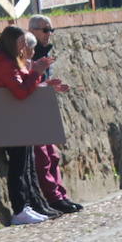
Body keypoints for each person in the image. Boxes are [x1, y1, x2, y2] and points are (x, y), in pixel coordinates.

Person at [0, 25, 68, 225]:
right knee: (18, 166)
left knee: (27, 165)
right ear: (10, 43)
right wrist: (37, 72)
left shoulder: (12, 63)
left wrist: (43, 82)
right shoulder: (5, 65)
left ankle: (29, 204)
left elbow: (25, 88)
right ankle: (20, 208)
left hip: (18, 119)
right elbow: (20, 92)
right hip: (12, 121)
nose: (22, 48)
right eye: (20, 43)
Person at [28, 15, 82, 213]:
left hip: (44, 107)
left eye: (51, 30)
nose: (49, 34)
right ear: (32, 31)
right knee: (42, 157)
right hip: (31, 112)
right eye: (45, 30)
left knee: (53, 155)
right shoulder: (29, 56)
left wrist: (51, 87)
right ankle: (53, 197)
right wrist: (43, 83)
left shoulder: (44, 53)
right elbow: (25, 85)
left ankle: (60, 195)